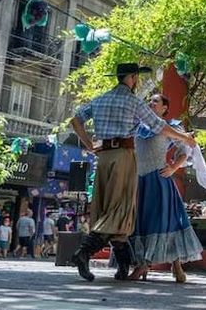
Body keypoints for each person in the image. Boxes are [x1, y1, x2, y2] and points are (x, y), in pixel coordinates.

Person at [69, 63, 196, 282]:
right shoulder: (133, 102)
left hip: (104, 158)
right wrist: (185, 137)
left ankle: (123, 266)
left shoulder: (100, 99)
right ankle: (84, 252)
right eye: (136, 77)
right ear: (132, 77)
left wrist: (90, 144)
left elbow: (75, 121)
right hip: (124, 158)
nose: (137, 81)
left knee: (106, 208)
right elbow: (159, 126)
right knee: (121, 211)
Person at [129, 94, 203, 282]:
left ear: (164, 108)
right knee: (141, 222)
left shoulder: (172, 126)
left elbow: (185, 151)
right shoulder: (138, 127)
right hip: (139, 181)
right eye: (150, 101)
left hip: (159, 181)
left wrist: (173, 167)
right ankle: (142, 263)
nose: (151, 103)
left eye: (156, 101)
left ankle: (174, 264)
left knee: (165, 222)